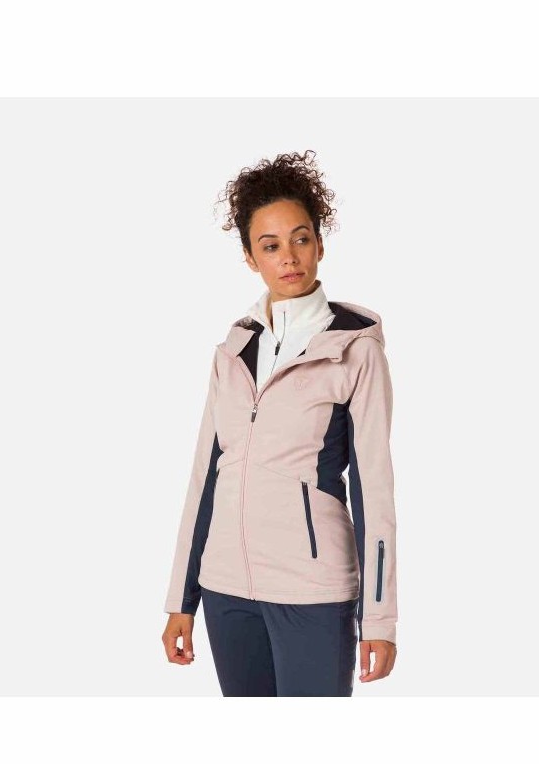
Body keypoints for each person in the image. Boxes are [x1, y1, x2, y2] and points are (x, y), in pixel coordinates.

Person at [160, 149, 399, 696]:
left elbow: (375, 490)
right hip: (225, 590)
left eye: (301, 239)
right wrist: (182, 600)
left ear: (319, 244)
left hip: (312, 591)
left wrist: (379, 619)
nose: (289, 257)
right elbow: (204, 479)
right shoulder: (234, 349)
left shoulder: (354, 349)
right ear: (250, 258)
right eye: (270, 246)